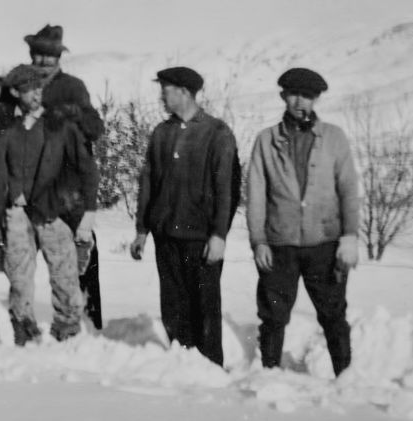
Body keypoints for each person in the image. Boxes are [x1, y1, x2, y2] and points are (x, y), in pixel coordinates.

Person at [245, 67, 361, 375]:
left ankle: (345, 377)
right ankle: (269, 374)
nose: (300, 102)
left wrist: (350, 237)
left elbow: (349, 188)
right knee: (273, 315)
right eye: (294, 94)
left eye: (308, 96)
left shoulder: (334, 138)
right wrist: (258, 241)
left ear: (316, 99)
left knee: (333, 313)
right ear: (283, 95)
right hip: (279, 244)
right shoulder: (266, 140)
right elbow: (256, 193)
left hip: (325, 243)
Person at [131, 67, 241, 367]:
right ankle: (182, 370)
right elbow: (148, 183)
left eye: (166, 90)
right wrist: (142, 230)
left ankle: (211, 372)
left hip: (201, 239)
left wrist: (219, 235)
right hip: (166, 236)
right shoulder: (161, 133)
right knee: (173, 308)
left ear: (185, 93)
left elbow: (226, 189)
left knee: (205, 309)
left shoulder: (217, 133)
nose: (161, 96)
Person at [0, 65, 97, 344]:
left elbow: (87, 170)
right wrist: (7, 202)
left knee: (64, 274)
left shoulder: (60, 127)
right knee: (19, 277)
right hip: (17, 216)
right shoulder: (8, 133)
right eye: (27, 90)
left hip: (52, 213)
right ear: (16, 94)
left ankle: (67, 329)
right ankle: (24, 329)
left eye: (39, 89)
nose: (35, 95)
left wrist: (88, 213)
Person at [23, 23, 107, 328]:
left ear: (58, 58)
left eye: (49, 57)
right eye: (38, 55)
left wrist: (71, 112)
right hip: (34, 191)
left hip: (69, 190)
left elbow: (95, 129)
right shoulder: (22, 87)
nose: (43, 62)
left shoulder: (72, 86)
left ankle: (91, 324)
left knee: (81, 259)